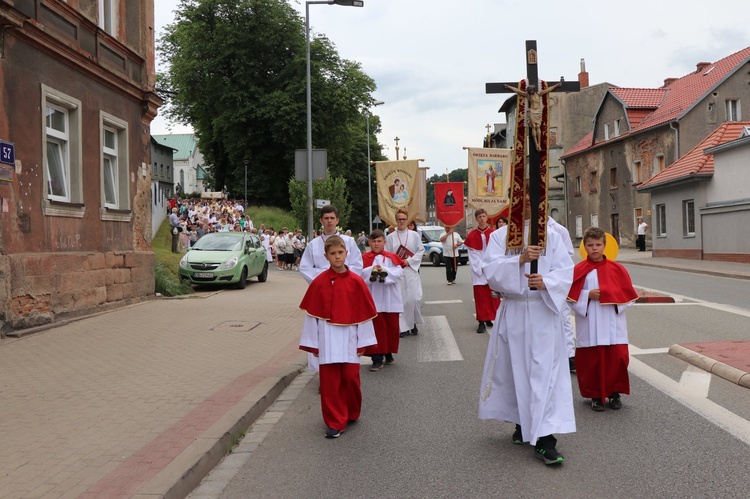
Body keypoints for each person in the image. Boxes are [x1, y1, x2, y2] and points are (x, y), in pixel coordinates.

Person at [478, 193, 575, 465]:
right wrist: (518, 261)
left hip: (544, 311)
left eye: (534, 200)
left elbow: (566, 270)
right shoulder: (501, 236)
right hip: (516, 310)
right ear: (514, 202)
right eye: (523, 200)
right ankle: (522, 422)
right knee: (515, 371)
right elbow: (490, 270)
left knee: (544, 372)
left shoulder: (553, 236)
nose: (528, 205)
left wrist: (546, 281)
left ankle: (545, 439)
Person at [298, 236, 378, 438]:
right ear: (326, 256)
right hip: (327, 340)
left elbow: (364, 315)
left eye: (340, 253)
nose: (337, 257)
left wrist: (364, 343)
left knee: (351, 379)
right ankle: (334, 422)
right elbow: (312, 316)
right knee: (330, 384)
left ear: (346, 253)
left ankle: (351, 411)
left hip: (350, 339)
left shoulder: (357, 282)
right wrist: (313, 344)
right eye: (332, 254)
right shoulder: (318, 283)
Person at [568, 226, 638, 412]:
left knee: (617, 358)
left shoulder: (617, 269)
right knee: (592, 360)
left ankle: (614, 393)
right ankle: (595, 396)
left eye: (598, 244)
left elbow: (628, 297)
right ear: (584, 247)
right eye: (590, 245)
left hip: (613, 322)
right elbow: (569, 297)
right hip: (590, 322)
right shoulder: (579, 270)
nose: (595, 248)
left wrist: (611, 295)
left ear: (604, 245)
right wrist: (587, 295)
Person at [362, 229, 404, 371]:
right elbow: (359, 274)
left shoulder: (391, 257)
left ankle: (388, 352)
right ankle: (377, 358)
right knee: (376, 329)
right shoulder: (364, 258)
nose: (376, 244)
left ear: (384, 242)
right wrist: (372, 270)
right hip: (373, 297)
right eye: (373, 241)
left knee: (391, 327)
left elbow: (399, 272)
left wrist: (384, 271)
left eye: (379, 241)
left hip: (390, 297)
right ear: (369, 242)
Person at [386, 209, 424, 337]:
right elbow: (387, 254)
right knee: (401, 299)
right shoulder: (390, 237)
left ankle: (412, 323)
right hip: (397, 272)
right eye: (399, 219)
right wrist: (396, 264)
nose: (401, 221)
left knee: (414, 299)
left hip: (411, 271)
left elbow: (420, 250)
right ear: (396, 221)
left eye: (403, 219)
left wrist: (409, 261)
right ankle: (402, 327)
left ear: (407, 221)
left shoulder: (414, 235)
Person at [547, 216, 577, 373]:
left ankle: (570, 355)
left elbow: (568, 255)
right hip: (537, 284)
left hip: (556, 281)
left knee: (564, 319)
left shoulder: (559, 230)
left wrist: (554, 275)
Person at [465, 209, 500, 334]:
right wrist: (482, 268)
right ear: (476, 219)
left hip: (491, 269)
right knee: (481, 298)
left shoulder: (494, 234)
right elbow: (473, 256)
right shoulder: (471, 236)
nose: (482, 218)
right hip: (478, 271)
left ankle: (490, 318)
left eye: (484, 216)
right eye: (479, 216)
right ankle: (481, 322)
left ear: (487, 217)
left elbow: (496, 252)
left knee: (493, 297)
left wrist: (491, 267)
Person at [504, 81, 561, 151]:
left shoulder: (538, 93)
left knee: (538, 126)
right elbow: (518, 91)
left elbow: (548, 89)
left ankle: (539, 143)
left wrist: (556, 86)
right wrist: (509, 87)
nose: (531, 91)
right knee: (534, 126)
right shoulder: (528, 95)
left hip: (538, 111)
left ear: (534, 89)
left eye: (531, 90)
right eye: (530, 90)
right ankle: (536, 143)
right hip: (532, 111)